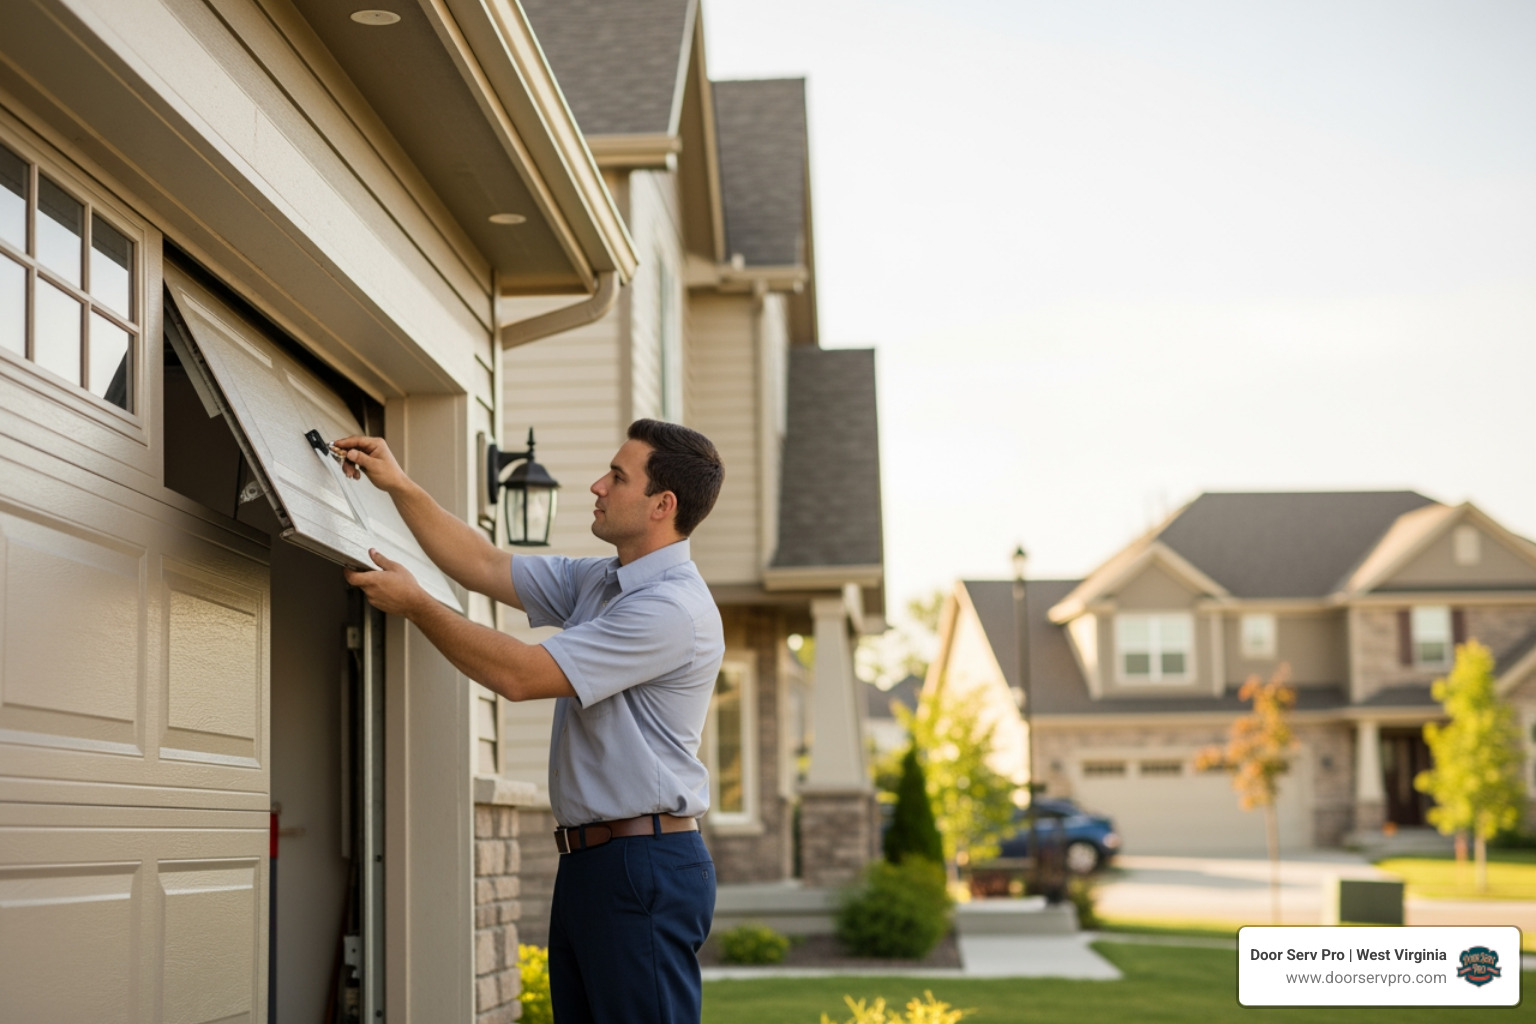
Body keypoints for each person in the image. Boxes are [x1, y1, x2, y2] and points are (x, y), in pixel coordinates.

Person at [332, 419, 726, 1024]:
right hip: (596, 863)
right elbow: (485, 563)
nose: (597, 486)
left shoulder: (669, 609)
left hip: (641, 864)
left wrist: (417, 605)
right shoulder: (603, 582)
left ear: (661, 505)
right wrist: (398, 484)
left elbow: (519, 675)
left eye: (617, 477)